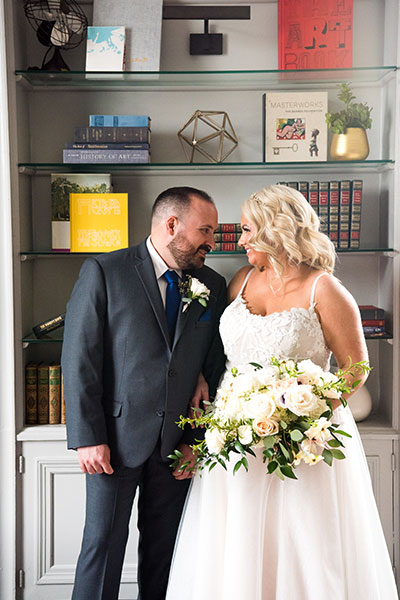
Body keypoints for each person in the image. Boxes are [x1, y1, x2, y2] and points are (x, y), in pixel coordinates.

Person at [166, 184, 398, 600]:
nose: (240, 240)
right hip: (235, 438)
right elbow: (218, 351)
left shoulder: (324, 290)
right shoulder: (240, 281)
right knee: (236, 543)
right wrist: (203, 379)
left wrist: (302, 415)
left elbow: (356, 368)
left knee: (301, 542)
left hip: (302, 445)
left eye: (248, 229)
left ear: (277, 230)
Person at [61, 186, 227, 600]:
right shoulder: (105, 271)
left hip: (176, 444)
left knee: (166, 555)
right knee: (102, 550)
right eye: (205, 230)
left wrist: (195, 441)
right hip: (113, 444)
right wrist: (88, 438)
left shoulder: (212, 283)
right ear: (172, 225)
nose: (212, 241)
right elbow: (80, 359)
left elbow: (213, 366)